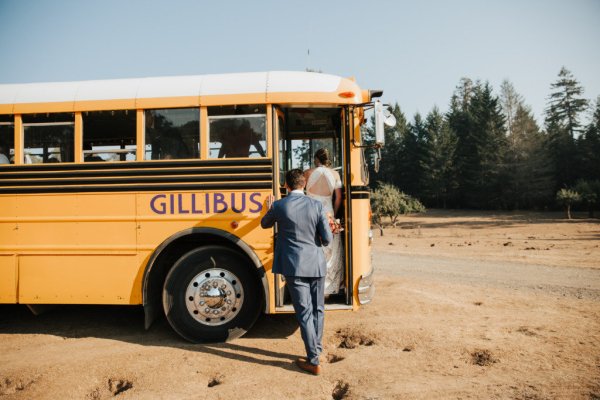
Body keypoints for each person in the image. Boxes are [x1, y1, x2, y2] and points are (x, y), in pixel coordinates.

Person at [261, 169, 333, 375]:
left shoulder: (279, 205)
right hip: (316, 264)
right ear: (304, 184)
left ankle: (313, 359)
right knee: (318, 309)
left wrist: (269, 208)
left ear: (286, 185)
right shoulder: (317, 205)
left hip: (294, 266)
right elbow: (327, 239)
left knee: (304, 312)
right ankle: (316, 350)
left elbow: (265, 224)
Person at [304, 148, 344, 295]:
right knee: (331, 250)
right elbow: (339, 197)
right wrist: (333, 213)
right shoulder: (335, 174)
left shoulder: (307, 173)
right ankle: (328, 289)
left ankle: (311, 286)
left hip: (310, 214)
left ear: (316, 159)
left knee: (313, 248)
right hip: (328, 212)